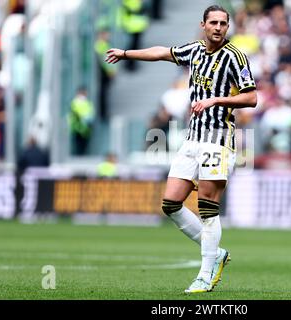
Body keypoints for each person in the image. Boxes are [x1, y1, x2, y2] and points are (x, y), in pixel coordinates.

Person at [105, 5, 257, 293]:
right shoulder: (195, 50)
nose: (218, 27)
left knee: (207, 208)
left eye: (223, 23)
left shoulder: (235, 57)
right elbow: (162, 52)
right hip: (193, 139)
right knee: (171, 203)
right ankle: (217, 254)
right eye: (213, 22)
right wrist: (126, 54)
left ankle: (205, 274)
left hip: (218, 138)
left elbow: (251, 98)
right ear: (203, 25)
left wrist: (215, 101)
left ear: (227, 27)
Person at [67, 87, 95, 156]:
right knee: (78, 146)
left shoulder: (88, 103)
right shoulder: (74, 102)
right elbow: (75, 114)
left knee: (84, 146)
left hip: (85, 128)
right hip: (77, 128)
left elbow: (91, 114)